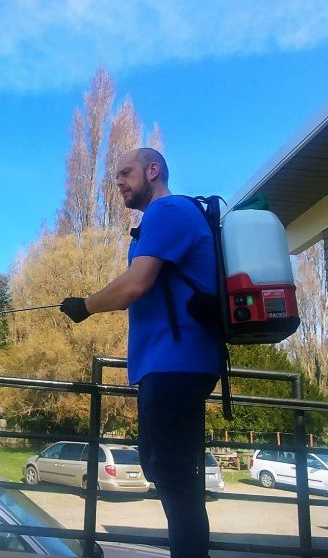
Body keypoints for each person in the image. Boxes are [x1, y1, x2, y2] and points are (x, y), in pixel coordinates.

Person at [60, 147, 221, 558]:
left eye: (126, 172)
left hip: (176, 362)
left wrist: (86, 305)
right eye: (116, 176)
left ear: (153, 171)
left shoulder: (168, 211)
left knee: (174, 475)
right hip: (169, 363)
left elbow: (135, 284)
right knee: (165, 469)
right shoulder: (162, 218)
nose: (118, 182)